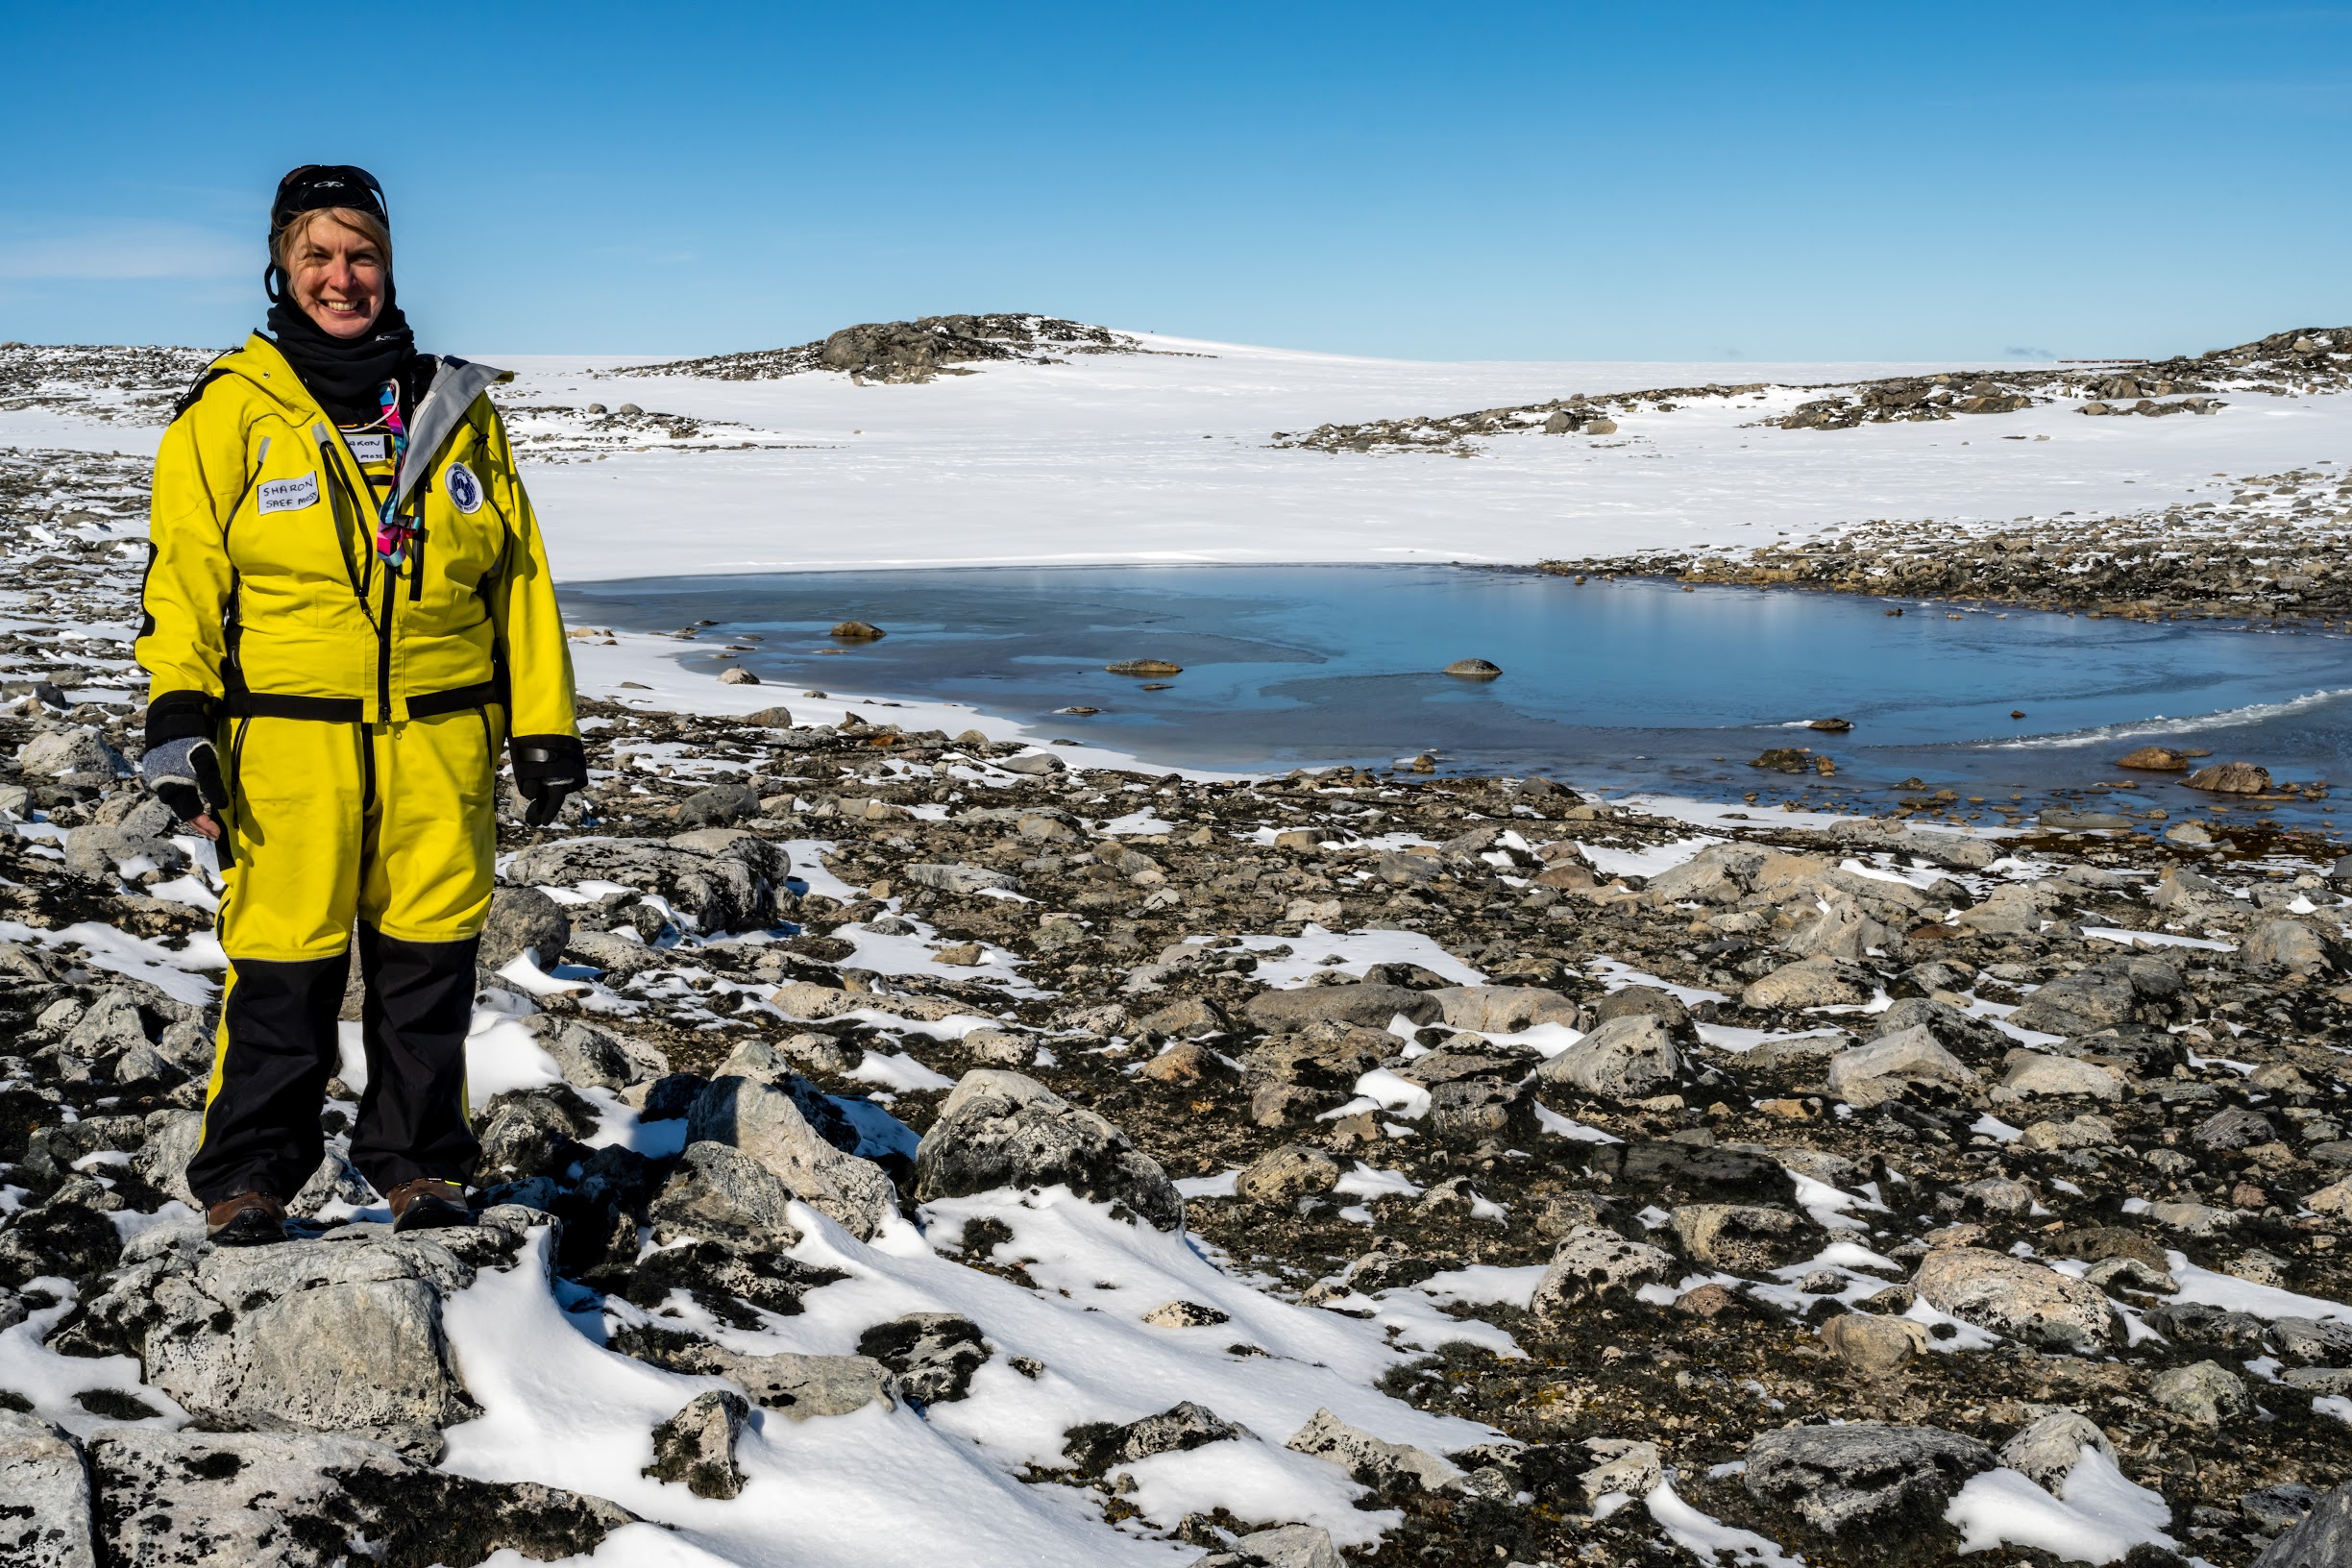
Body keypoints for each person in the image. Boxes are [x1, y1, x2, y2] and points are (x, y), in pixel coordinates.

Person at [135, 164, 587, 1245]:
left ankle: (421, 1167)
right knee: (284, 975)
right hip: (290, 742)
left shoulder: (455, 408)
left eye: (362, 256)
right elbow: (186, 577)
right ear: (282, 270)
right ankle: (248, 1179)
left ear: (389, 265)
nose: (343, 278)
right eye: (318, 258)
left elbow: (518, 577)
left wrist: (547, 725)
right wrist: (178, 720)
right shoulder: (230, 412)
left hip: (443, 740)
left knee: (427, 973)